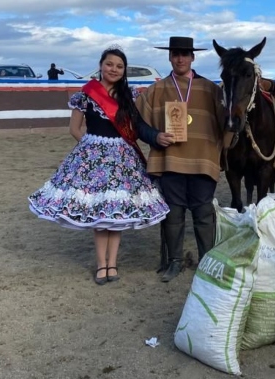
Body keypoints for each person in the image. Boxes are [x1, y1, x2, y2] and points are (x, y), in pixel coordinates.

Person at [28, 47, 175, 285]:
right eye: (109, 64)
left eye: (119, 66)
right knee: (99, 216)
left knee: (114, 215)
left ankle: (113, 264)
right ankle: (101, 265)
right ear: (101, 65)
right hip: (93, 159)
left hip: (122, 158)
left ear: (124, 70)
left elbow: (137, 127)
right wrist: (91, 150)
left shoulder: (129, 95)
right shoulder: (86, 94)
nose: (114, 69)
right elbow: (75, 129)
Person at [135, 36, 225, 283]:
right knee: (173, 214)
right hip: (170, 159)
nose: (180, 58)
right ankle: (174, 261)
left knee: (204, 213)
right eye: (175, 54)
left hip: (203, 160)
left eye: (185, 54)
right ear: (169, 57)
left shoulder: (211, 89)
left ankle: (206, 261)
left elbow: (229, 123)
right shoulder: (156, 90)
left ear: (193, 57)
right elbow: (137, 122)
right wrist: (154, 136)